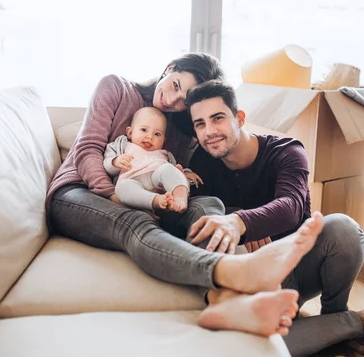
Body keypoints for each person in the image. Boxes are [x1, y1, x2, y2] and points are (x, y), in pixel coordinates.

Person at [46, 52, 321, 337]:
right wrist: (114, 196)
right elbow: (88, 148)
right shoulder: (116, 87)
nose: (171, 101)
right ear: (169, 68)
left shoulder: (182, 129)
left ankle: (221, 300)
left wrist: (188, 188)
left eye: (182, 100)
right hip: (78, 193)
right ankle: (235, 273)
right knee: (137, 223)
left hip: (145, 199)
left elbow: (177, 179)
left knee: (208, 206)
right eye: (175, 85)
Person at [183, 80, 364, 356]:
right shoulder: (201, 162)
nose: (209, 131)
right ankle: (352, 324)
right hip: (251, 280)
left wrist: (241, 222)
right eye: (200, 124)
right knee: (247, 348)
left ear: (240, 118)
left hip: (298, 265)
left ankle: (334, 314)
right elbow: (202, 215)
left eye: (217, 118)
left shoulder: (286, 151)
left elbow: (291, 206)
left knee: (344, 228)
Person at [103, 106, 202, 212]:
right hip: (132, 181)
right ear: (130, 133)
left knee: (168, 169)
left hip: (157, 180)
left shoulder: (165, 155)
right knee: (121, 188)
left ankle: (180, 198)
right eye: (144, 130)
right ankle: (156, 201)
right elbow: (107, 165)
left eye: (157, 134)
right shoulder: (121, 145)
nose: (150, 137)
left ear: (163, 140)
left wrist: (185, 173)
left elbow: (175, 170)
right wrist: (115, 162)